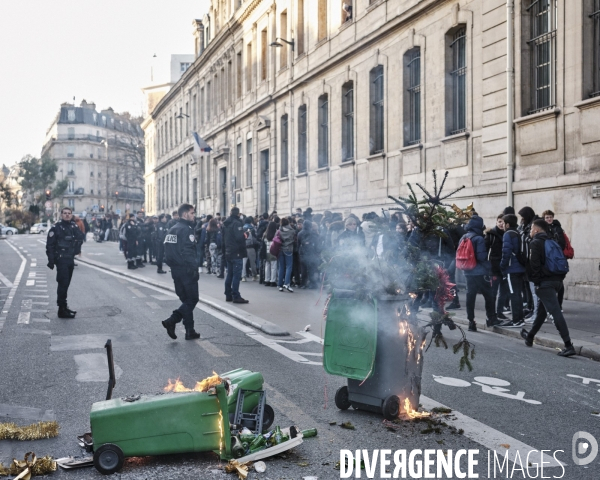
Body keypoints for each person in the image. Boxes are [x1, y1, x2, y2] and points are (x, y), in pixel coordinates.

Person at [520, 220, 575, 357]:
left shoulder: (536, 243)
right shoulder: (553, 241)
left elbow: (535, 265)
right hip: (557, 281)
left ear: (537, 230)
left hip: (545, 283)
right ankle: (530, 336)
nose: (530, 231)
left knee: (555, 313)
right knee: (542, 311)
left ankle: (568, 345)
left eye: (532, 228)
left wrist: (537, 282)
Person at [161, 204, 201, 340]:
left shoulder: (172, 229)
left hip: (175, 270)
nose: (193, 215)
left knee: (186, 300)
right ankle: (172, 320)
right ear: (185, 215)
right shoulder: (186, 230)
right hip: (186, 270)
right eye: (192, 213)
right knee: (192, 299)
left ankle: (190, 330)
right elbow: (188, 251)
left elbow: (166, 251)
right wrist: (194, 268)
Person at [458, 215, 501, 332]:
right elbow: (481, 256)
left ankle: (471, 321)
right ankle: (491, 318)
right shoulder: (479, 238)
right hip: (480, 272)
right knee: (489, 296)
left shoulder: (463, 237)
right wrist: (489, 267)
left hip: (467, 271)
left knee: (470, 296)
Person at [46, 207, 84, 318]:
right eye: (65, 213)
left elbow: (80, 237)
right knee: (63, 284)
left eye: (69, 213)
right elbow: (50, 245)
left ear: (72, 215)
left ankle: (64, 306)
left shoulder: (73, 226)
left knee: (66, 284)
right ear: (61, 215)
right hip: (61, 259)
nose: (67, 215)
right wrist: (51, 260)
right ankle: (61, 309)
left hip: (70, 259)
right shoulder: (56, 228)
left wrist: (76, 250)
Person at [498, 214, 526, 328]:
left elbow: (506, 252)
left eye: (503, 223)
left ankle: (516, 320)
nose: (503, 225)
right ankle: (520, 319)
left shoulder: (507, 234)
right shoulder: (518, 233)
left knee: (513, 294)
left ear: (507, 224)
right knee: (518, 294)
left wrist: (502, 266)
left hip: (511, 268)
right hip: (520, 267)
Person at [222, 207, 249, 303]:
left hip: (228, 251)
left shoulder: (225, 223)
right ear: (238, 214)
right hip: (236, 252)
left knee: (230, 273)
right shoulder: (237, 223)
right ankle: (236, 295)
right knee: (236, 275)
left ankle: (228, 294)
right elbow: (239, 238)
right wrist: (245, 236)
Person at [485, 214, 508, 320]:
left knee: (503, 292)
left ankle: (500, 311)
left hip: (506, 267)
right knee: (493, 292)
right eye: (499, 221)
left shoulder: (508, 234)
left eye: (503, 222)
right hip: (494, 268)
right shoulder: (491, 234)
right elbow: (485, 252)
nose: (501, 224)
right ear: (496, 222)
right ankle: (492, 313)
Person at [298, 220, 322, 289]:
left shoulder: (300, 233)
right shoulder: (313, 233)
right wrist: (317, 252)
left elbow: (298, 244)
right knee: (311, 269)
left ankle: (303, 284)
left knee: (303, 269)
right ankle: (312, 284)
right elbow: (317, 244)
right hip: (312, 253)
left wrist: (299, 253)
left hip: (303, 253)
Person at [277, 217, 297, 292]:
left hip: (280, 249)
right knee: (289, 267)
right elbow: (294, 239)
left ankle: (280, 284)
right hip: (288, 249)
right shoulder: (292, 231)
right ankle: (287, 283)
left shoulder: (279, 231)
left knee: (281, 267)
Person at [242, 216, 259, 281]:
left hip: (244, 247)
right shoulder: (252, 228)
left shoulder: (243, 228)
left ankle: (243, 276)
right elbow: (255, 238)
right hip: (251, 247)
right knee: (252, 262)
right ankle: (254, 276)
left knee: (244, 262)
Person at [263, 221, 279, 287]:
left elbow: (264, 241)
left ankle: (267, 280)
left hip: (267, 251)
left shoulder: (266, 233)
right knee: (274, 267)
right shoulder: (276, 233)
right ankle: (273, 281)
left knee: (267, 266)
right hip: (274, 251)